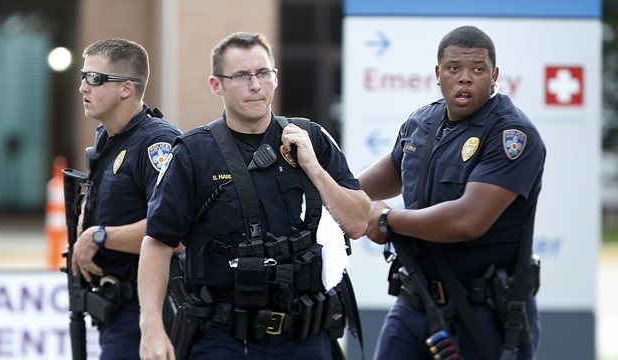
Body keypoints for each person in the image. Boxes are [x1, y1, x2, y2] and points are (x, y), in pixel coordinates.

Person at [137, 31, 369, 360]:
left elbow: (358, 222)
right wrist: (151, 327)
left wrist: (314, 169)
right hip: (225, 338)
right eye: (242, 76)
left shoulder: (311, 138)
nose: (255, 85)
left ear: (275, 78)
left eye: (263, 73)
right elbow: (157, 242)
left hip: (304, 336)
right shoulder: (192, 153)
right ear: (216, 85)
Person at [358, 25, 546, 360]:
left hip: (484, 310)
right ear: (438, 73)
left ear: (494, 75)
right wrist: (328, 189)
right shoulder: (422, 122)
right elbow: (382, 177)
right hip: (415, 302)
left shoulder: (512, 134)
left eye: (477, 69)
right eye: (454, 68)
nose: (465, 78)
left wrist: (388, 220)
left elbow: (466, 221)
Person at [72, 38, 181, 359]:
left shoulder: (157, 143)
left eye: (94, 78)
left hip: (145, 309)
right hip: (113, 306)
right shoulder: (109, 138)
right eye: (83, 76)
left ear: (126, 89)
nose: (82, 87)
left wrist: (100, 236)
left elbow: (176, 233)